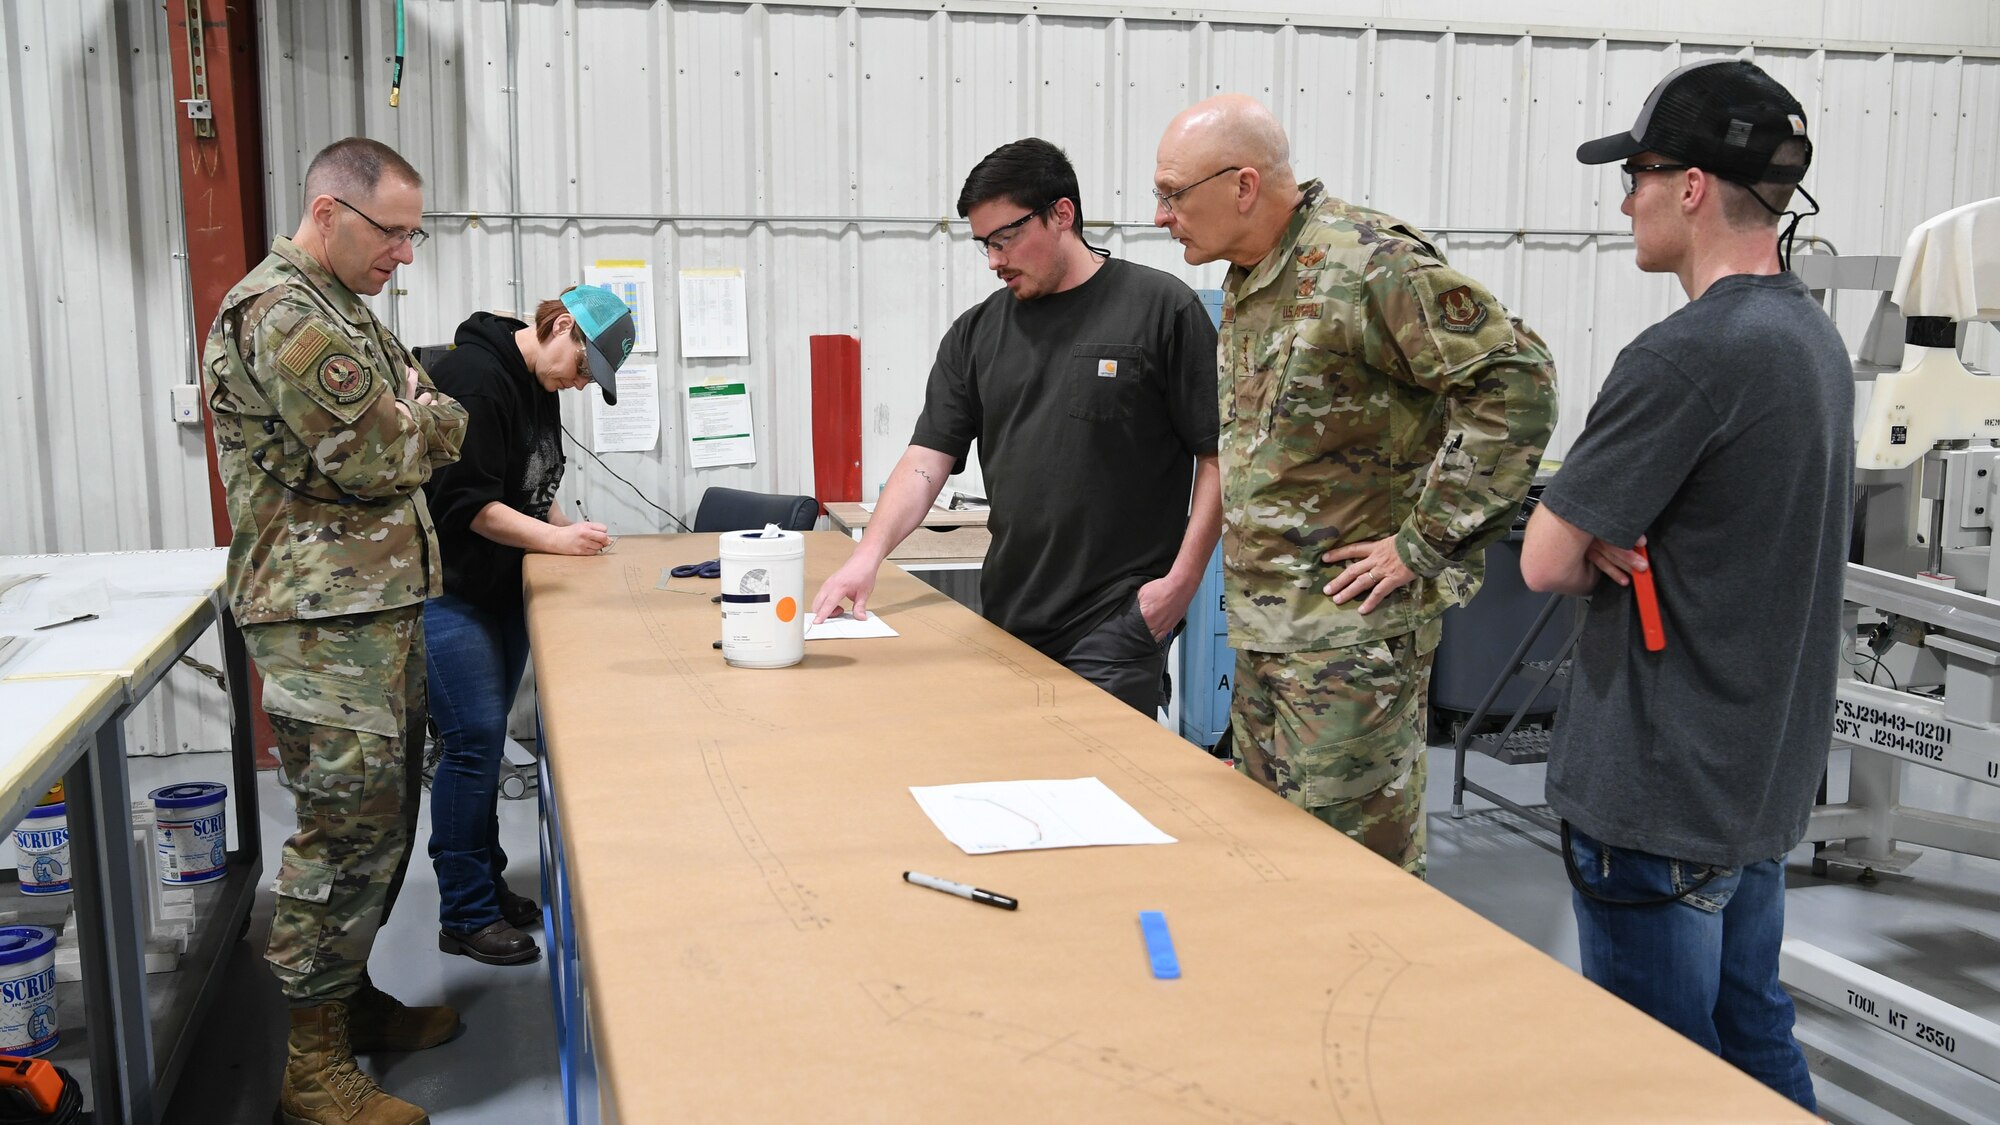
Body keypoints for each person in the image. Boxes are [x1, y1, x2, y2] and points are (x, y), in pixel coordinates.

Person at [1520, 60, 1845, 1112]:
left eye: (1639, 176)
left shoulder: (1683, 355)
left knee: (1653, 1086)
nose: (1626, 201)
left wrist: (1599, 531)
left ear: (1691, 187)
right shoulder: (1809, 338)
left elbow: (1543, 560)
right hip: (1750, 786)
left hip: (1653, 803)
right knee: (1752, 1041)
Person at [1154, 96, 1556, 876]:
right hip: (1272, 635)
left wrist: (1426, 541)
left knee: (1355, 873)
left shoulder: (1366, 264)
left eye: (1174, 193)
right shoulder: (1251, 273)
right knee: (1279, 861)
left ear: (1242, 185)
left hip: (1349, 645)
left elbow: (1516, 384)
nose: (1162, 214)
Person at [203, 137, 467, 1125]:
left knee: (384, 825)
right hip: (322, 623)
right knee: (342, 835)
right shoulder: (282, 315)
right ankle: (311, 1067)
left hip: (370, 612)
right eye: (390, 231)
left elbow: (434, 416)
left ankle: (351, 1002)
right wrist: (416, 420)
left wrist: (417, 417)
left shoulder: (344, 310)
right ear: (327, 212)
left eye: (412, 233)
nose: (404, 253)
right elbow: (373, 460)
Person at [810, 138, 1221, 716]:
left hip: (1116, 622)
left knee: (1102, 787)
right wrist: (867, 555)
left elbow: (1218, 457)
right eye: (984, 245)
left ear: (1061, 214)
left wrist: (1179, 587)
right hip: (1009, 617)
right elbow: (926, 459)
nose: (994, 261)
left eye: (1005, 239)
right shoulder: (976, 333)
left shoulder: (1160, 309)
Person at [420, 285, 634, 966]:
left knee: (485, 752)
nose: (576, 384)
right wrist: (555, 541)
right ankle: (466, 912)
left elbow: (531, 486)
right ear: (561, 326)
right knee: (474, 746)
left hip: (501, 587)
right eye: (580, 368)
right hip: (452, 593)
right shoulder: (476, 382)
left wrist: (573, 530)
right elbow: (470, 505)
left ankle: (487, 881)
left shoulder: (535, 381)